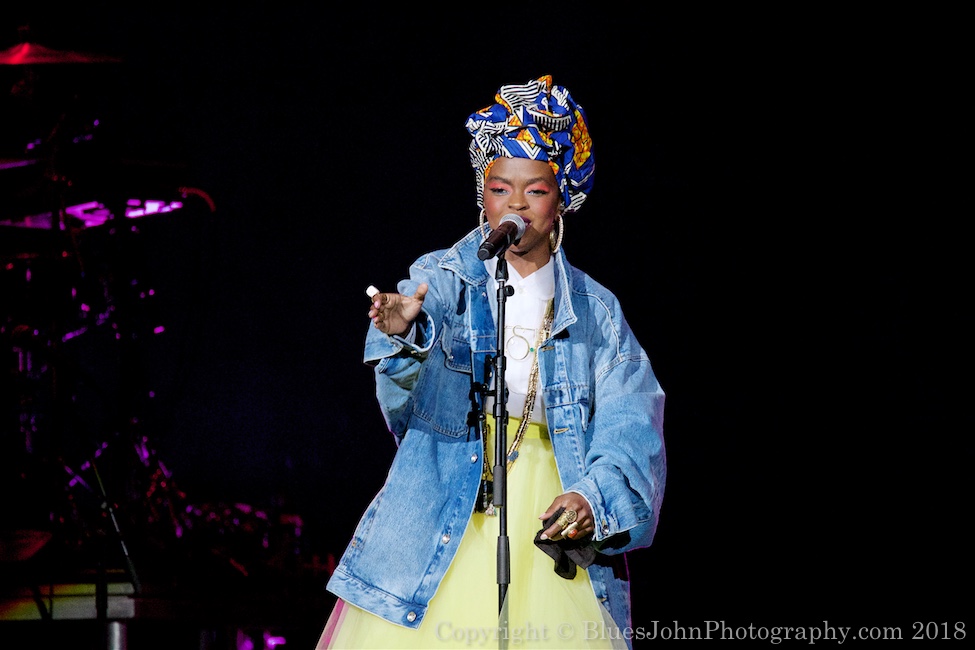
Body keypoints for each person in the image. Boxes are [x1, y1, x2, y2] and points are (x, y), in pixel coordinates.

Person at [318, 75, 666, 650]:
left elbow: (633, 423)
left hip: (545, 514)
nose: (516, 207)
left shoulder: (596, 312)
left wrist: (592, 499)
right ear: (483, 192)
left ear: (562, 198)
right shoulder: (445, 278)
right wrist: (408, 333)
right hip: (446, 514)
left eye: (535, 191)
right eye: (501, 189)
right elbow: (404, 408)